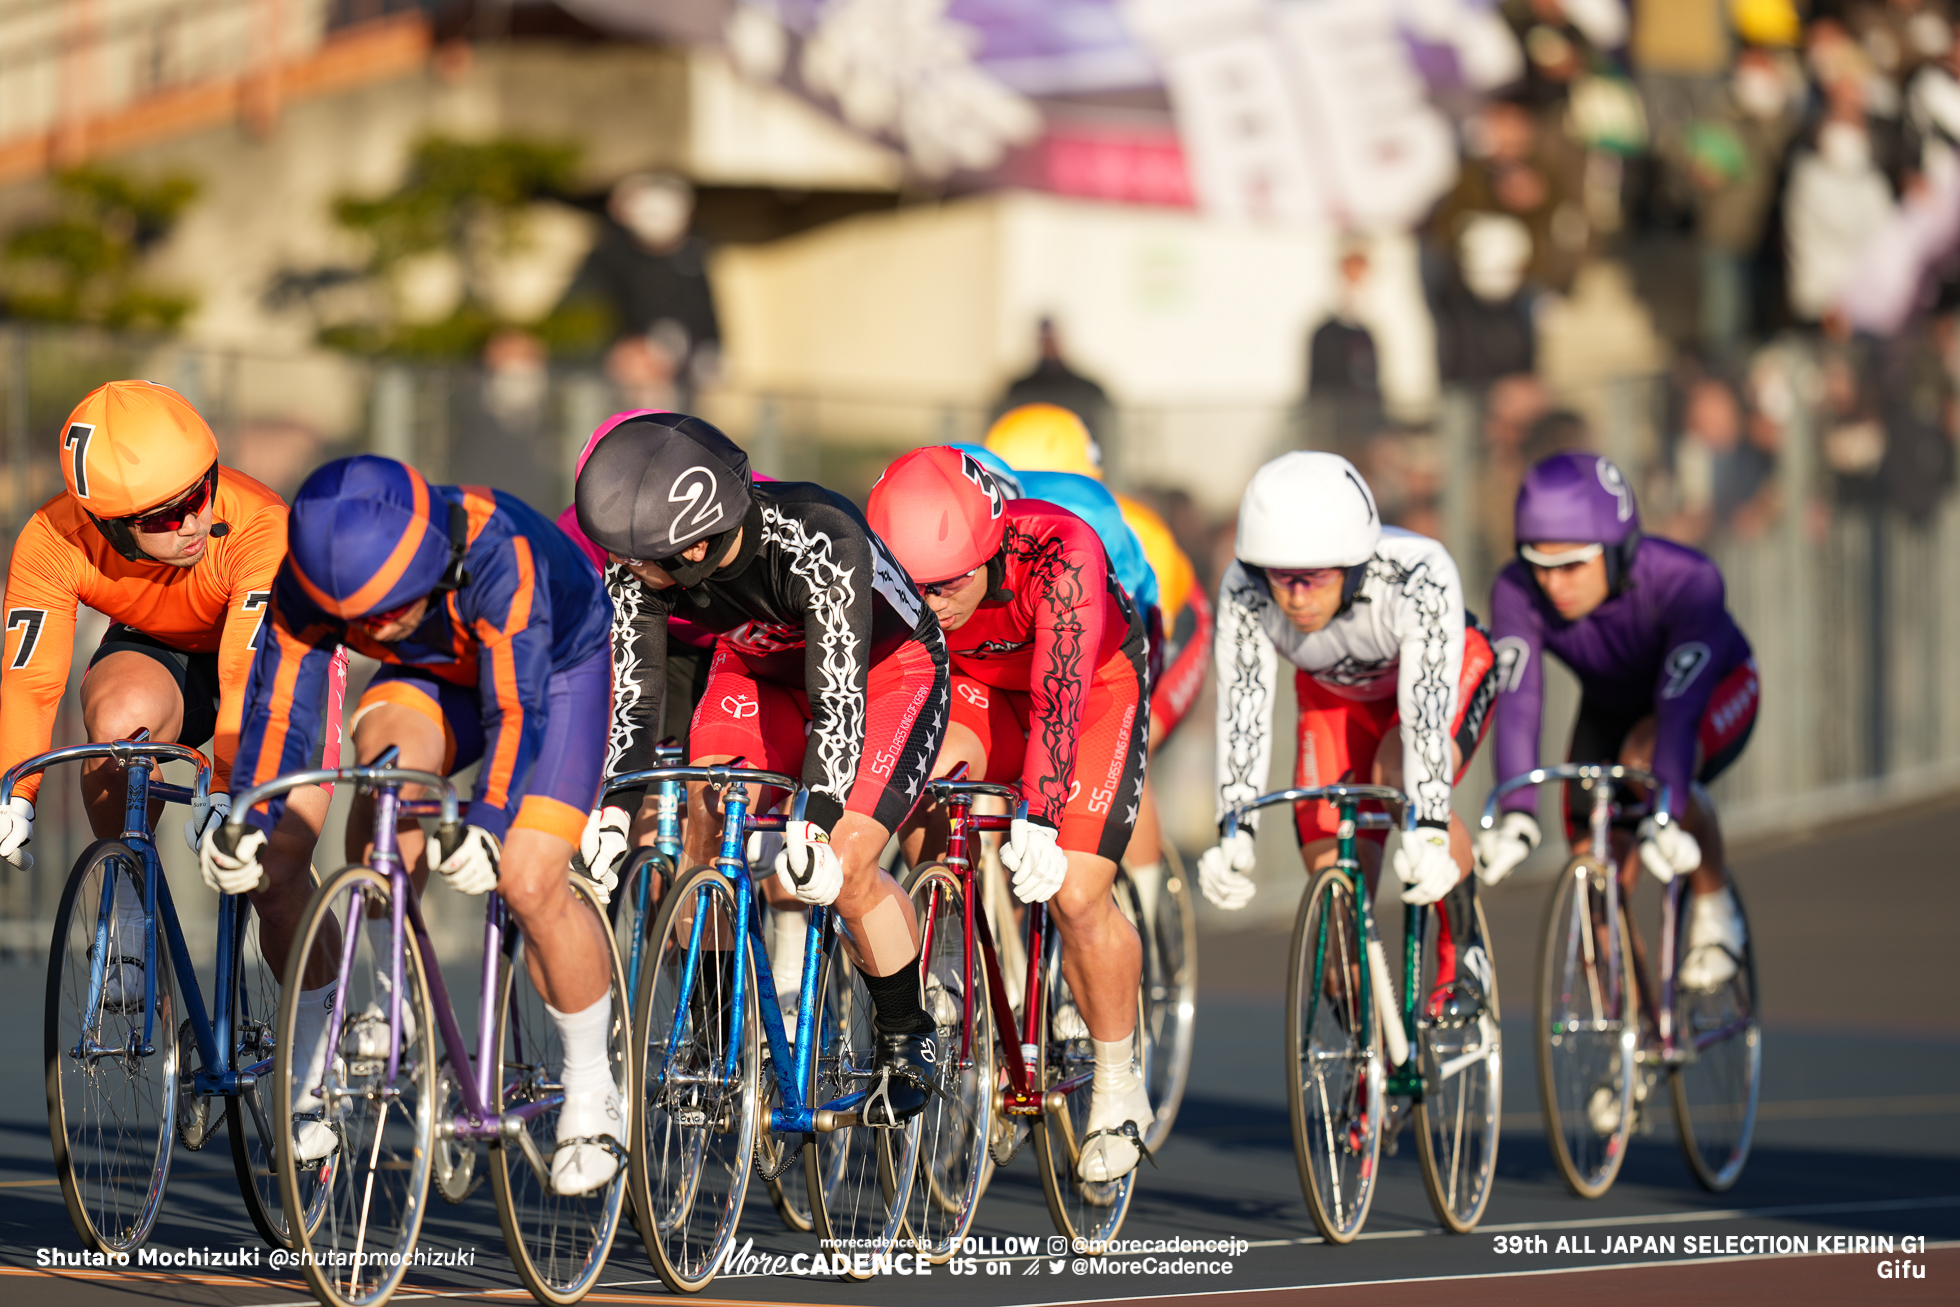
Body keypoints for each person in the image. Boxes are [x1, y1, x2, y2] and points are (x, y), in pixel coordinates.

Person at [213, 456, 620, 1195]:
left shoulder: (503, 556)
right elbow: (280, 710)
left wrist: (492, 819)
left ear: (434, 564)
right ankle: (385, 991)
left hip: (556, 672)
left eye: (389, 608)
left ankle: (593, 1091)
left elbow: (518, 707)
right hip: (432, 676)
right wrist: (251, 816)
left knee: (530, 879)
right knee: (386, 770)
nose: (371, 628)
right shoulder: (306, 583)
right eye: (355, 622)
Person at [574, 412, 949, 1125]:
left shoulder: (818, 538)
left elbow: (838, 702)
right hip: (758, 671)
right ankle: (723, 1052)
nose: (626, 571)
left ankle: (909, 1033)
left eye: (641, 559)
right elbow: (639, 698)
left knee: (845, 858)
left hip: (884, 674)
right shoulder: (640, 562)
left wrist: (812, 820)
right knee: (704, 834)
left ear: (698, 545)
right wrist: (615, 809)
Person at [0, 380, 345, 1021]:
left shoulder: (257, 526)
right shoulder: (52, 541)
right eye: (162, 516)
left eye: (200, 491)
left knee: (274, 865)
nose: (191, 523)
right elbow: (31, 679)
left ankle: (326, 1033)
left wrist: (230, 785)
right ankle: (129, 909)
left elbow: (249, 676)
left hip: (275, 656)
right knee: (115, 725)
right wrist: (15, 790)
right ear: (104, 524)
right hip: (161, 645)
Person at [867, 446, 1152, 1183]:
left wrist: (1044, 816)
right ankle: (954, 948)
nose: (930, 603)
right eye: (913, 585)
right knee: (912, 780)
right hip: (980, 692)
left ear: (990, 548)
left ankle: (1119, 1084)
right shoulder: (889, 572)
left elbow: (1060, 698)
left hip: (1089, 693)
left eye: (948, 583)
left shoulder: (1062, 553)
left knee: (1077, 893)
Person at [1198, 452, 1498, 1007]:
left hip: (1440, 680)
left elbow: (1426, 717)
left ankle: (1463, 951)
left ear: (1354, 563)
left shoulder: (1418, 574)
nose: (1293, 597)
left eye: (1311, 579)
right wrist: (1234, 830)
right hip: (1334, 700)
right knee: (1333, 894)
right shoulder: (1244, 587)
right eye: (1278, 578)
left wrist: (1428, 827)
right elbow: (1243, 708)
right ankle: (1369, 1054)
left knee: (1394, 767)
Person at [1479, 452, 1756, 990]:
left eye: (1572, 565)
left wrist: (1668, 808)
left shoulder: (1687, 580)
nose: (1553, 585)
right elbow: (1519, 699)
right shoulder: (1515, 591)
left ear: (1618, 550)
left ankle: (1716, 906)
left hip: (1712, 693)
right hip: (1609, 709)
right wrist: (1517, 810)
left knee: (1644, 760)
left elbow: (1679, 709)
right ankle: (1635, 1037)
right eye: (1539, 564)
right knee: (1594, 885)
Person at [982, 403, 1214, 928]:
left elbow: (1122, 646)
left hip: (1160, 632)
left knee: (1128, 748)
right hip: (1072, 632)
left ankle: (1139, 917)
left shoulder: (1122, 525)